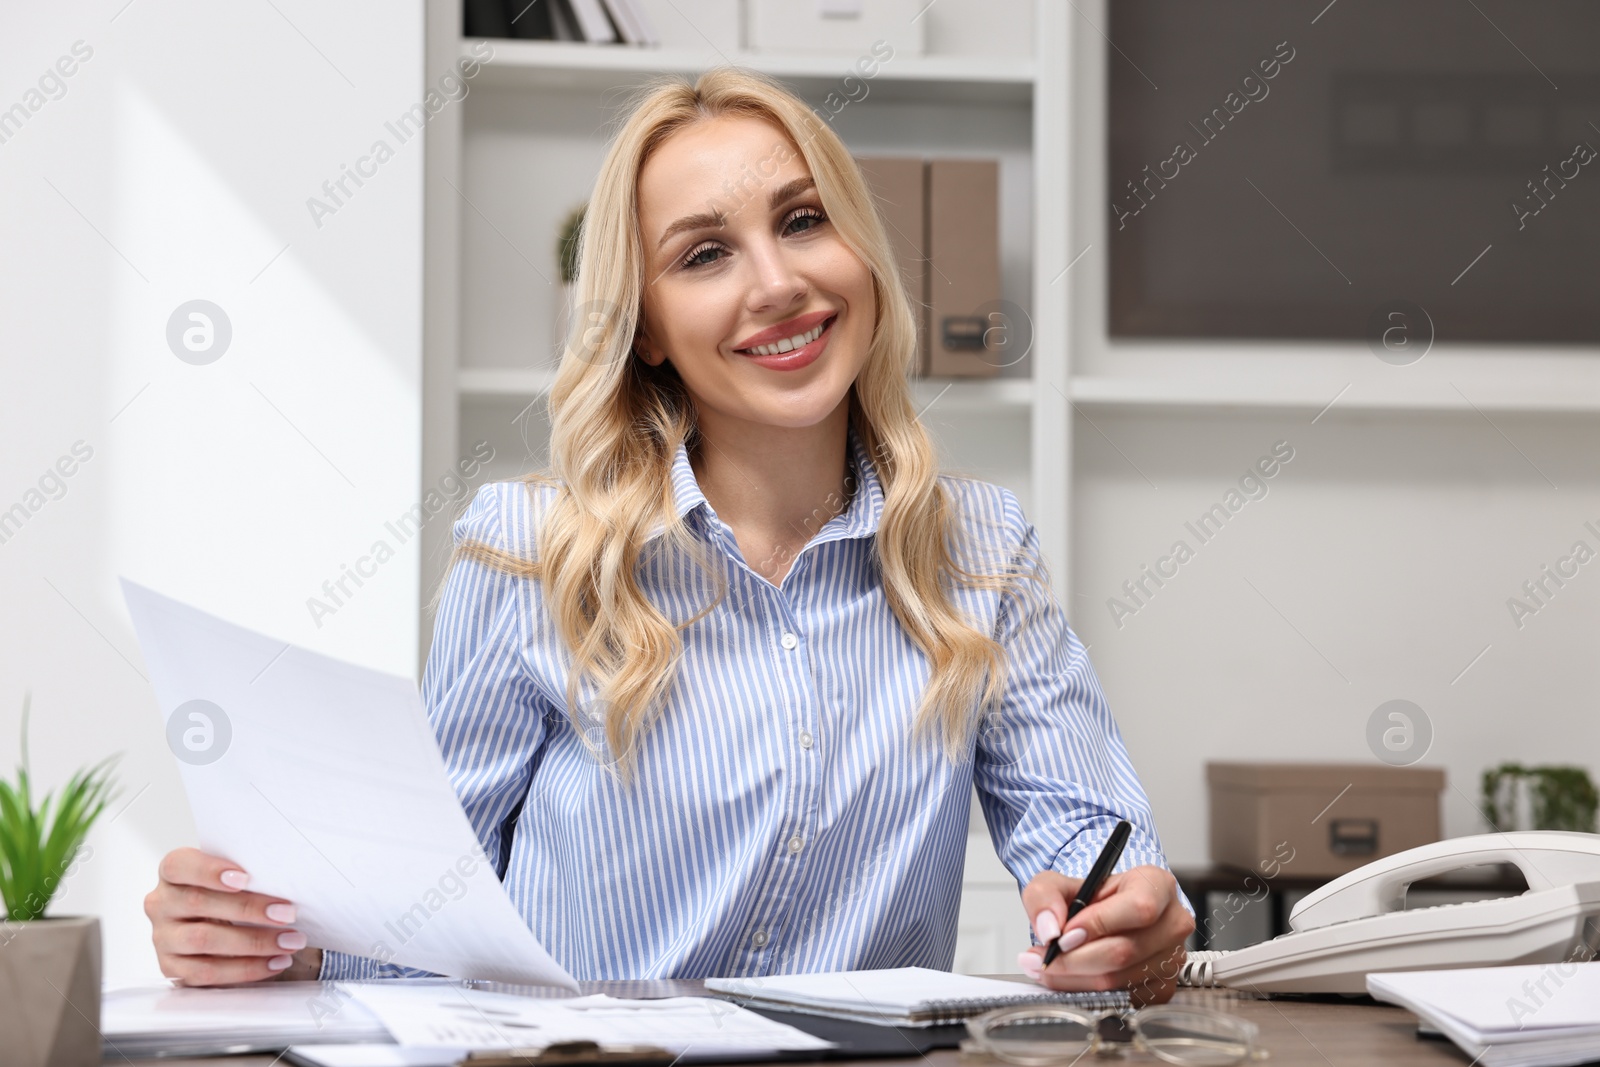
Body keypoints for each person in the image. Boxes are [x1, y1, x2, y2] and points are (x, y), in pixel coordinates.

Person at [145, 67, 1193, 1001]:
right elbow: (425, 906)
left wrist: (1128, 922)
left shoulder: (978, 551)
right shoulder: (533, 549)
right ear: (643, 324)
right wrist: (276, 937)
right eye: (703, 254)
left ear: (861, 252)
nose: (776, 283)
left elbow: (1093, 842)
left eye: (802, 220)